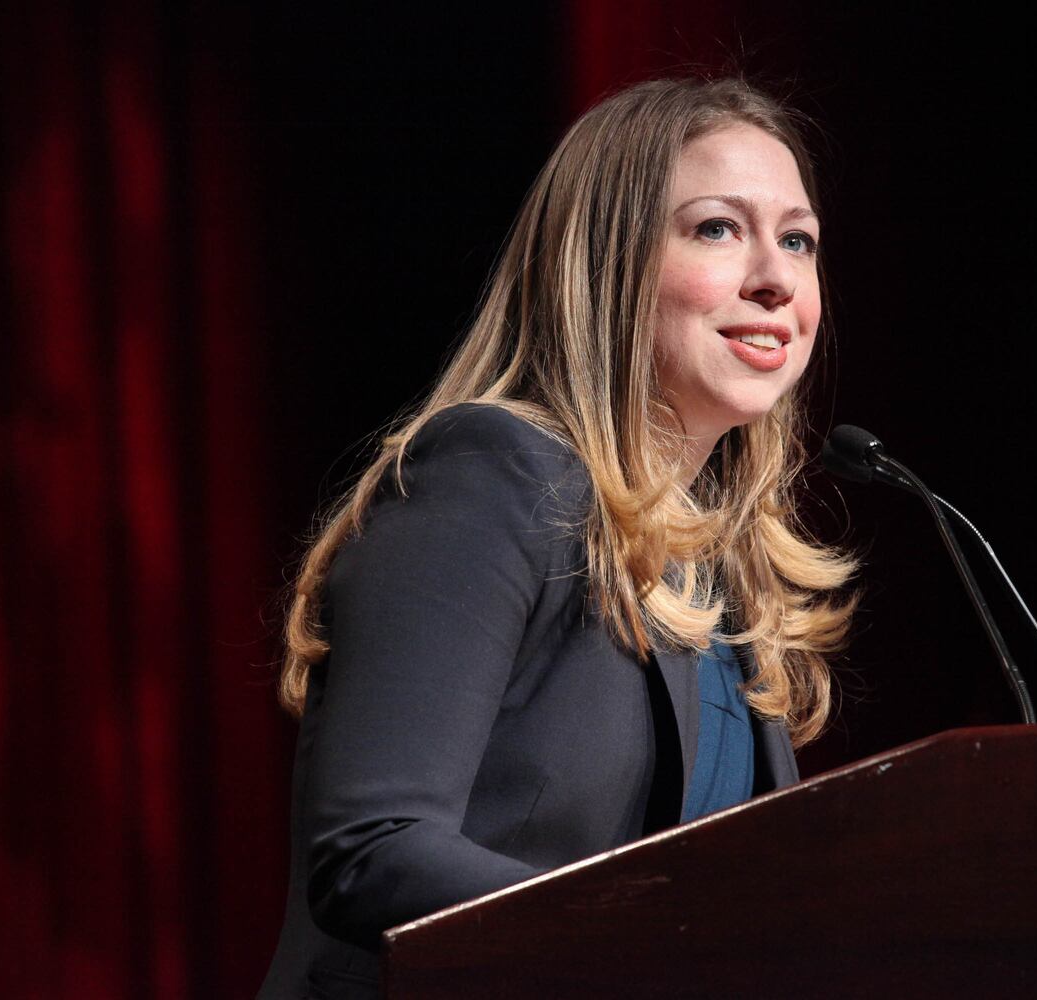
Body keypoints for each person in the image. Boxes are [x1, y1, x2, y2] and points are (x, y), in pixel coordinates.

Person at [258, 75, 858, 999]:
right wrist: (668, 936)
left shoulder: (722, 569)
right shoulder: (492, 475)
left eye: (797, 239)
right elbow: (373, 853)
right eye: (716, 228)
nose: (776, 278)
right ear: (609, 265)